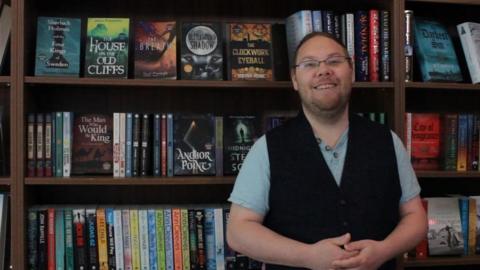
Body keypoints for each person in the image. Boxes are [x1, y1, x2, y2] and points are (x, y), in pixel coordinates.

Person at [226, 32, 427, 270]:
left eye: (334, 61)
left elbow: (415, 217)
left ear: (351, 72)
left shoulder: (388, 141)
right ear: (294, 79)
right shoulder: (266, 149)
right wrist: (307, 256)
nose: (323, 71)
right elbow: (239, 232)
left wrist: (383, 251)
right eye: (310, 64)